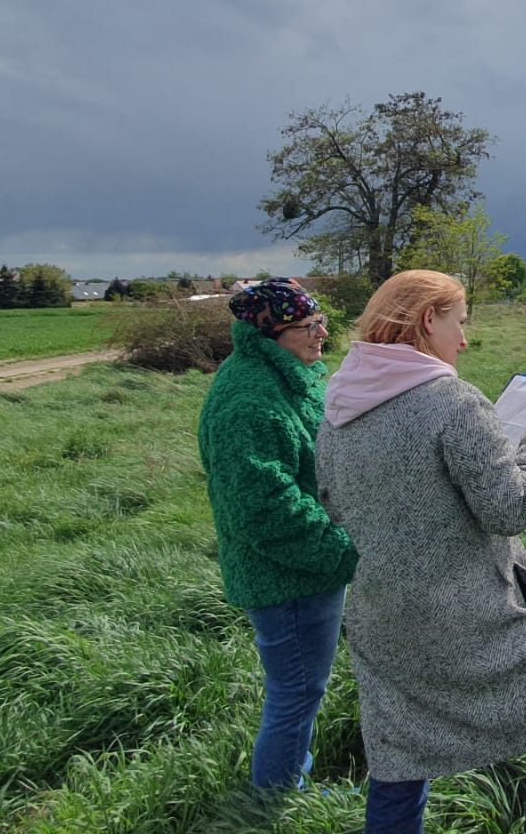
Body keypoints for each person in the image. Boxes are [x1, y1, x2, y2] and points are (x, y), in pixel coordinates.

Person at [316, 270, 526, 834]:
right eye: (460, 322)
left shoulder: (337, 405)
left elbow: (333, 504)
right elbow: (509, 509)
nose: (464, 340)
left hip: (385, 622)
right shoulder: (453, 401)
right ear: (428, 320)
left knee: (397, 765)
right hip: (477, 621)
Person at [195, 277, 357, 791]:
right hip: (288, 576)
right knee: (297, 690)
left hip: (305, 570)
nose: (323, 334)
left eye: (321, 322)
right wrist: (342, 554)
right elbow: (265, 508)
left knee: (302, 686)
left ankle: (286, 784)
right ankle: (274, 800)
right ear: (273, 333)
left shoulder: (287, 376)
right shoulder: (250, 400)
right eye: (311, 326)